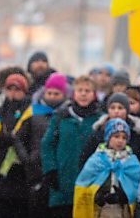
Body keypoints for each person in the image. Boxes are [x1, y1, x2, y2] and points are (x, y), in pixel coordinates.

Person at [41, 75, 103, 218]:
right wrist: (50, 170)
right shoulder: (60, 117)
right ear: (73, 93)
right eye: (79, 90)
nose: (83, 94)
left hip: (91, 185)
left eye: (87, 91)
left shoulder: (101, 120)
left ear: (93, 94)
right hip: (63, 184)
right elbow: (47, 145)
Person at [13, 72, 70, 218]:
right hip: (36, 171)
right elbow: (19, 137)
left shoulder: (68, 114)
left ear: (64, 94)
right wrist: (27, 158)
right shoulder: (34, 111)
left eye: (56, 93)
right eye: (49, 92)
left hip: (60, 172)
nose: (52, 96)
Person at [74, 118, 140, 218]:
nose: (120, 140)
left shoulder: (131, 162)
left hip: (122, 211)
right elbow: (84, 186)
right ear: (108, 137)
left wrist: (124, 196)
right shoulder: (96, 160)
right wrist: (96, 195)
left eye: (124, 138)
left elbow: (138, 187)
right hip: (100, 211)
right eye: (116, 136)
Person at [0, 73, 31, 218]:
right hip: (0, 169)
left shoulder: (29, 113)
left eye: (17, 89)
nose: (13, 93)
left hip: (19, 171)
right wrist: (4, 138)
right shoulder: (0, 111)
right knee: (1, 209)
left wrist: (10, 138)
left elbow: (25, 137)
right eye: (10, 89)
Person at [79, 92, 140, 168]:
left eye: (120, 108)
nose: (116, 111)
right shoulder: (99, 133)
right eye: (112, 108)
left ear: (127, 111)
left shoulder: (136, 134)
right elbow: (85, 160)